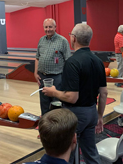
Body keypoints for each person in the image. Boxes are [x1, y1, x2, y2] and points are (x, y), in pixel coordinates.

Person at [42, 23, 108, 164]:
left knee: (66, 154)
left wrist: (54, 91)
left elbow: (72, 97)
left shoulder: (72, 63)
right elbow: (104, 93)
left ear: (73, 38)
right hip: (91, 113)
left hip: (75, 115)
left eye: (70, 34)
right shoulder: (98, 61)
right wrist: (100, 116)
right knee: (90, 152)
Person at [34, 18, 71, 117]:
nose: (48, 29)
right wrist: (35, 73)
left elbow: (68, 61)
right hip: (43, 77)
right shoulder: (41, 40)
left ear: (55, 27)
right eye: (46, 27)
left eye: (50, 27)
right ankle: (46, 125)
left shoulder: (62, 41)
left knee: (57, 103)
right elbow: (37, 57)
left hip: (57, 77)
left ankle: (57, 125)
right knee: (44, 103)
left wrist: (67, 78)